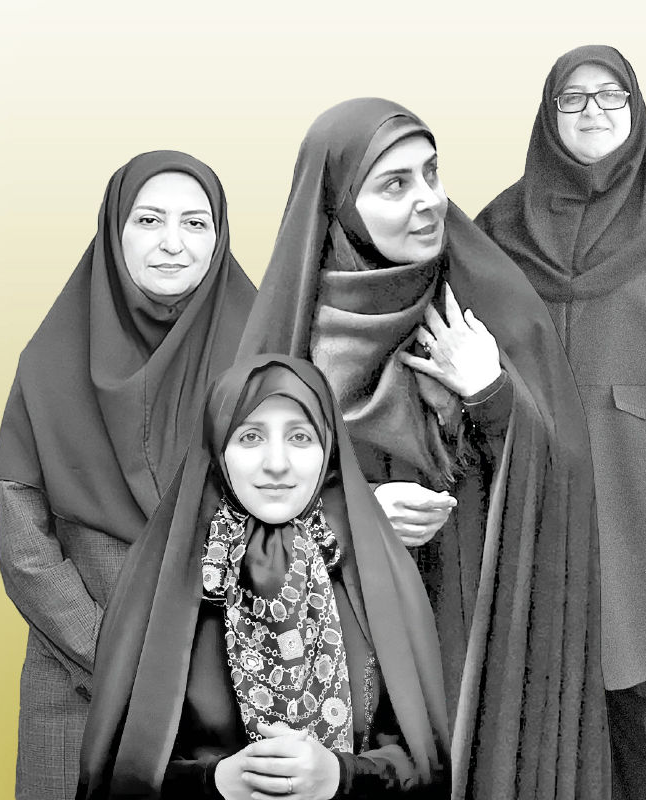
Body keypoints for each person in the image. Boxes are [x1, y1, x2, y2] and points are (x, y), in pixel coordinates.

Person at [238, 98, 608, 800]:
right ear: (340, 205)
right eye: (394, 184)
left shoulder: (487, 300)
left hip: (472, 624)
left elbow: (563, 473)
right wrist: (358, 513)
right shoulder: (289, 332)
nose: (428, 200)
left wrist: (491, 392)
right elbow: (232, 507)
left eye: (431, 174)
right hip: (345, 642)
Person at [475, 45, 646, 800]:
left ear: (635, 107)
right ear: (549, 115)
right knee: (546, 672)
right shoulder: (504, 222)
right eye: (573, 97)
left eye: (610, 94)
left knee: (644, 672)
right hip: (533, 475)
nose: (592, 110)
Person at [0, 151, 257, 799]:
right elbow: (25, 549)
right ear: (115, 231)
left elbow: (295, 517)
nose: (173, 243)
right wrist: (112, 654)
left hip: (229, 686)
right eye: (149, 220)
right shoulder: (51, 361)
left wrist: (204, 661)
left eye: (195, 223)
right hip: (80, 682)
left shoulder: (261, 356)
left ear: (219, 236)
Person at [76, 354, 450, 799]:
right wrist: (217, 783)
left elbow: (426, 767)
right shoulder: (164, 580)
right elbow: (114, 777)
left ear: (329, 450)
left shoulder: (373, 571)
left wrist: (339, 776)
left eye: (300, 437)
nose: (277, 463)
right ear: (218, 449)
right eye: (250, 436)